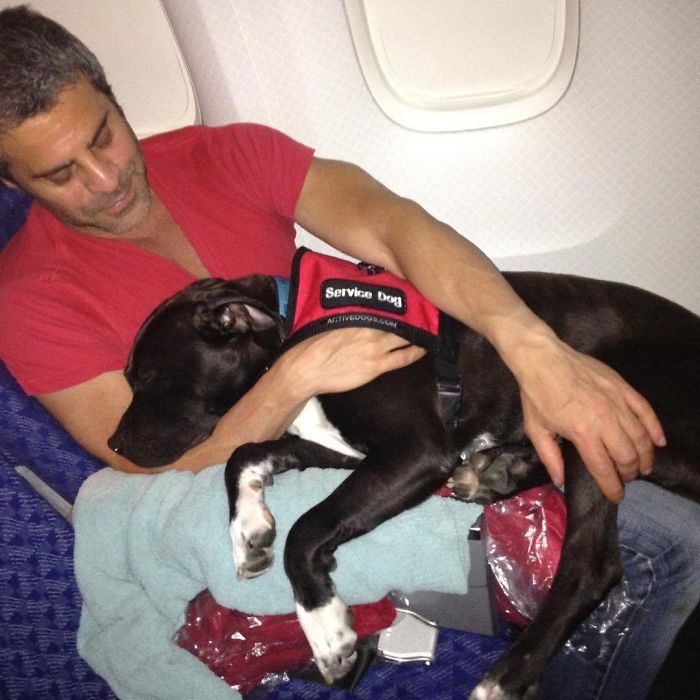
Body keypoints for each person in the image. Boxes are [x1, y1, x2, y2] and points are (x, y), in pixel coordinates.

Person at [0, 6, 697, 699]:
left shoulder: (220, 155)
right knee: (667, 543)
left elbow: (395, 227)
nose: (106, 179)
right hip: (319, 483)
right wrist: (296, 375)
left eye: (105, 136)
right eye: (60, 174)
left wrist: (537, 354)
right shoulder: (31, 298)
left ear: (113, 96)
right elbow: (153, 466)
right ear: (12, 182)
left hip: (407, 423)